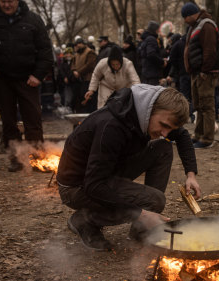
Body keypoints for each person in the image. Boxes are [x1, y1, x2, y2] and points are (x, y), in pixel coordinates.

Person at [57, 84, 201, 250]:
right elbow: (94, 184)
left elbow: (182, 135)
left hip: (106, 171)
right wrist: (141, 213)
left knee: (163, 147)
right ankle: (84, 220)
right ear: (151, 109)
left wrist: (191, 175)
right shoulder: (111, 126)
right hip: (77, 187)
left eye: (170, 128)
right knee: (155, 200)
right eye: (164, 125)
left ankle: (140, 229)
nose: (165, 133)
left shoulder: (146, 115)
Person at [0, 0, 54, 172]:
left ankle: (37, 158)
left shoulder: (33, 19)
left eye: (10, 1)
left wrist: (38, 74)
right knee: (8, 121)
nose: (7, 5)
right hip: (1, 78)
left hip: (28, 78)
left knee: (33, 119)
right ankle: (16, 158)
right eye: (3, 1)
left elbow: (45, 50)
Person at [182, 2, 219, 149]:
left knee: (206, 105)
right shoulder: (195, 26)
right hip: (197, 72)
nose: (184, 20)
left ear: (192, 14)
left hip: (205, 73)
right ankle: (198, 135)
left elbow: (210, 50)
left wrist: (205, 70)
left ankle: (207, 138)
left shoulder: (206, 25)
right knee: (198, 105)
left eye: (185, 17)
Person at [70, 38, 98, 113]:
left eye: (78, 44)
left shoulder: (90, 52)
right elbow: (72, 64)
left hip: (87, 80)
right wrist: (74, 71)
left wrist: (79, 72)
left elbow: (90, 65)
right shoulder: (76, 54)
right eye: (76, 45)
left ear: (83, 44)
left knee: (87, 99)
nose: (77, 46)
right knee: (78, 99)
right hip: (78, 80)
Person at [138, 21, 166, 85]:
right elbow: (151, 54)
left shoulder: (145, 39)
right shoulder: (151, 39)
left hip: (146, 72)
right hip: (152, 73)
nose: (158, 32)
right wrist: (161, 62)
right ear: (154, 30)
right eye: (157, 30)